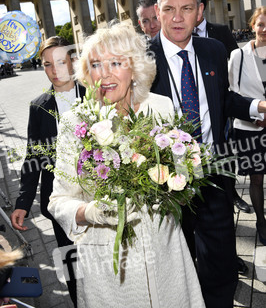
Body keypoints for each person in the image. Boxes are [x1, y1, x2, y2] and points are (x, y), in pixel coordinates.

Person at [48, 23, 206, 308]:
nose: (105, 74)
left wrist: (184, 177)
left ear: (134, 68)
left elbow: (187, 176)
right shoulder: (75, 124)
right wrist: (90, 212)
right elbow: (58, 201)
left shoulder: (161, 107)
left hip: (166, 254)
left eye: (116, 63)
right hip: (111, 270)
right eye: (96, 64)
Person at [150, 0, 266, 308]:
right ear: (157, 11)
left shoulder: (214, 50)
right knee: (176, 260)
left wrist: (257, 106)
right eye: (169, 8)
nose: (176, 17)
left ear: (199, 11)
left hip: (215, 173)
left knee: (220, 260)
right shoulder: (142, 62)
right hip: (163, 183)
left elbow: (224, 98)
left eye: (186, 8)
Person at [10, 36, 86, 307]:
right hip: (61, 203)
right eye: (47, 64)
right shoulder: (39, 106)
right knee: (73, 267)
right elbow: (33, 155)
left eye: (61, 62)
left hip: (99, 197)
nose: (55, 70)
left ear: (73, 61)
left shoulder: (97, 93)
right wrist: (22, 201)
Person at [195, 0, 251, 216]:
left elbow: (237, 63)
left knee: (226, 150)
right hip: (195, 108)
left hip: (223, 102)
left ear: (202, 8)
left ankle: (233, 194)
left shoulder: (221, 31)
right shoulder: (181, 36)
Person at [228, 6, 266, 245]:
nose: (264, 30)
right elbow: (232, 94)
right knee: (256, 178)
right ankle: (261, 223)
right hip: (251, 128)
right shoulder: (238, 56)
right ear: (252, 26)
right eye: (261, 24)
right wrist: (255, 115)